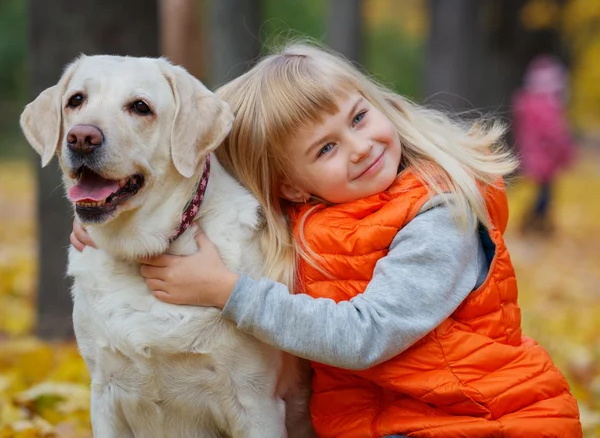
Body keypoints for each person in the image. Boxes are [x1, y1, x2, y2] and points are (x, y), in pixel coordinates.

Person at [72, 43, 582, 437]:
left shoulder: (438, 219)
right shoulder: (314, 212)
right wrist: (105, 214)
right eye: (327, 148)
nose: (360, 148)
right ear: (293, 184)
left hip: (479, 420)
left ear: (377, 101)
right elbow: (192, 173)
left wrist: (227, 292)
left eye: (358, 118)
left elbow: (366, 334)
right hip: (385, 421)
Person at [512, 55, 576, 235]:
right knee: (545, 193)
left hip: (534, 154)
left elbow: (523, 132)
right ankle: (536, 222)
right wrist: (565, 152)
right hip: (547, 156)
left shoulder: (527, 103)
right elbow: (556, 134)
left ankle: (538, 222)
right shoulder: (548, 106)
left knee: (542, 191)